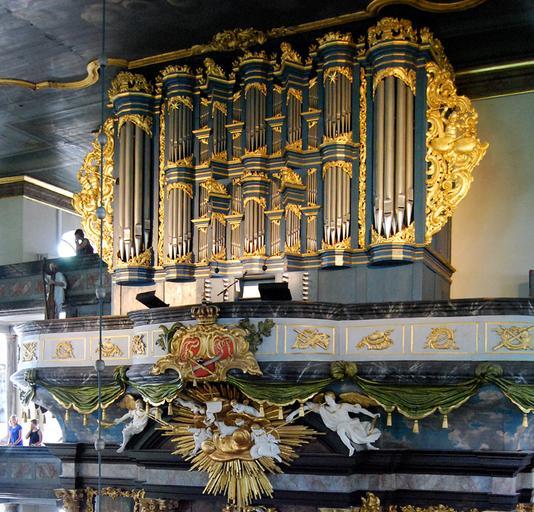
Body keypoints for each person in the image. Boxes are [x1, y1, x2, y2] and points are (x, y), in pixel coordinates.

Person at [286, 392, 381, 455]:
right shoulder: (323, 409)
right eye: (326, 400)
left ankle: (368, 445)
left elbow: (360, 410)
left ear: (333, 398)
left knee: (362, 434)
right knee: (340, 430)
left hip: (351, 424)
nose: (327, 401)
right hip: (340, 426)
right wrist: (292, 415)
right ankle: (350, 448)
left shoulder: (343, 406)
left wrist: (372, 415)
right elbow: (307, 407)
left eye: (329, 399)